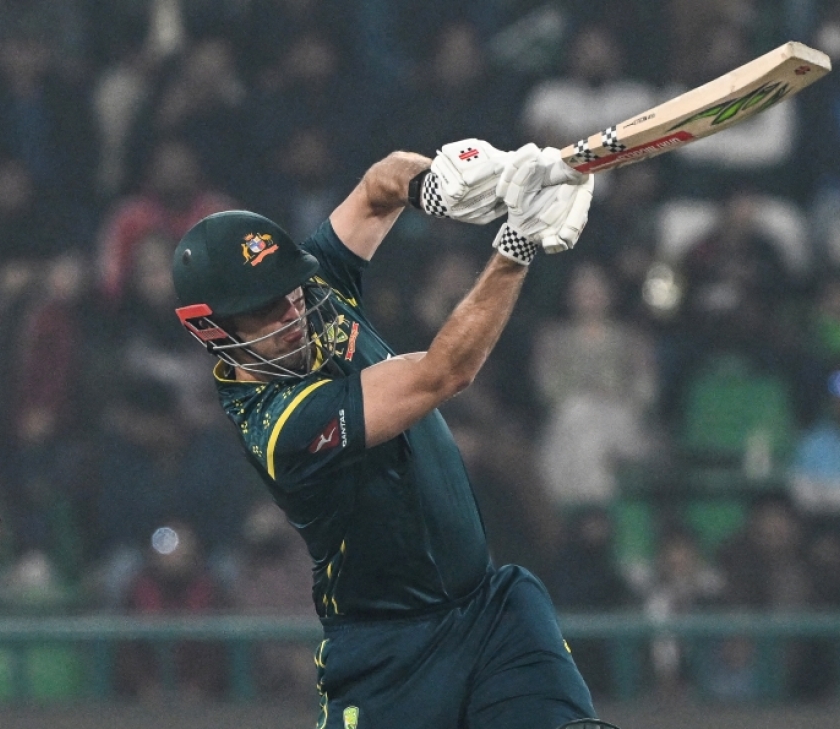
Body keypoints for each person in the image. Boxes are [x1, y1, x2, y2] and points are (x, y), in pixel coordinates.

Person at [169, 136, 602, 729]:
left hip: (491, 611)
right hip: (386, 654)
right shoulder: (276, 424)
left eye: (289, 290)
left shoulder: (311, 293)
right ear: (211, 329)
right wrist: (517, 242)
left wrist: (440, 188)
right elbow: (442, 373)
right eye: (263, 308)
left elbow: (378, 188)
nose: (292, 313)